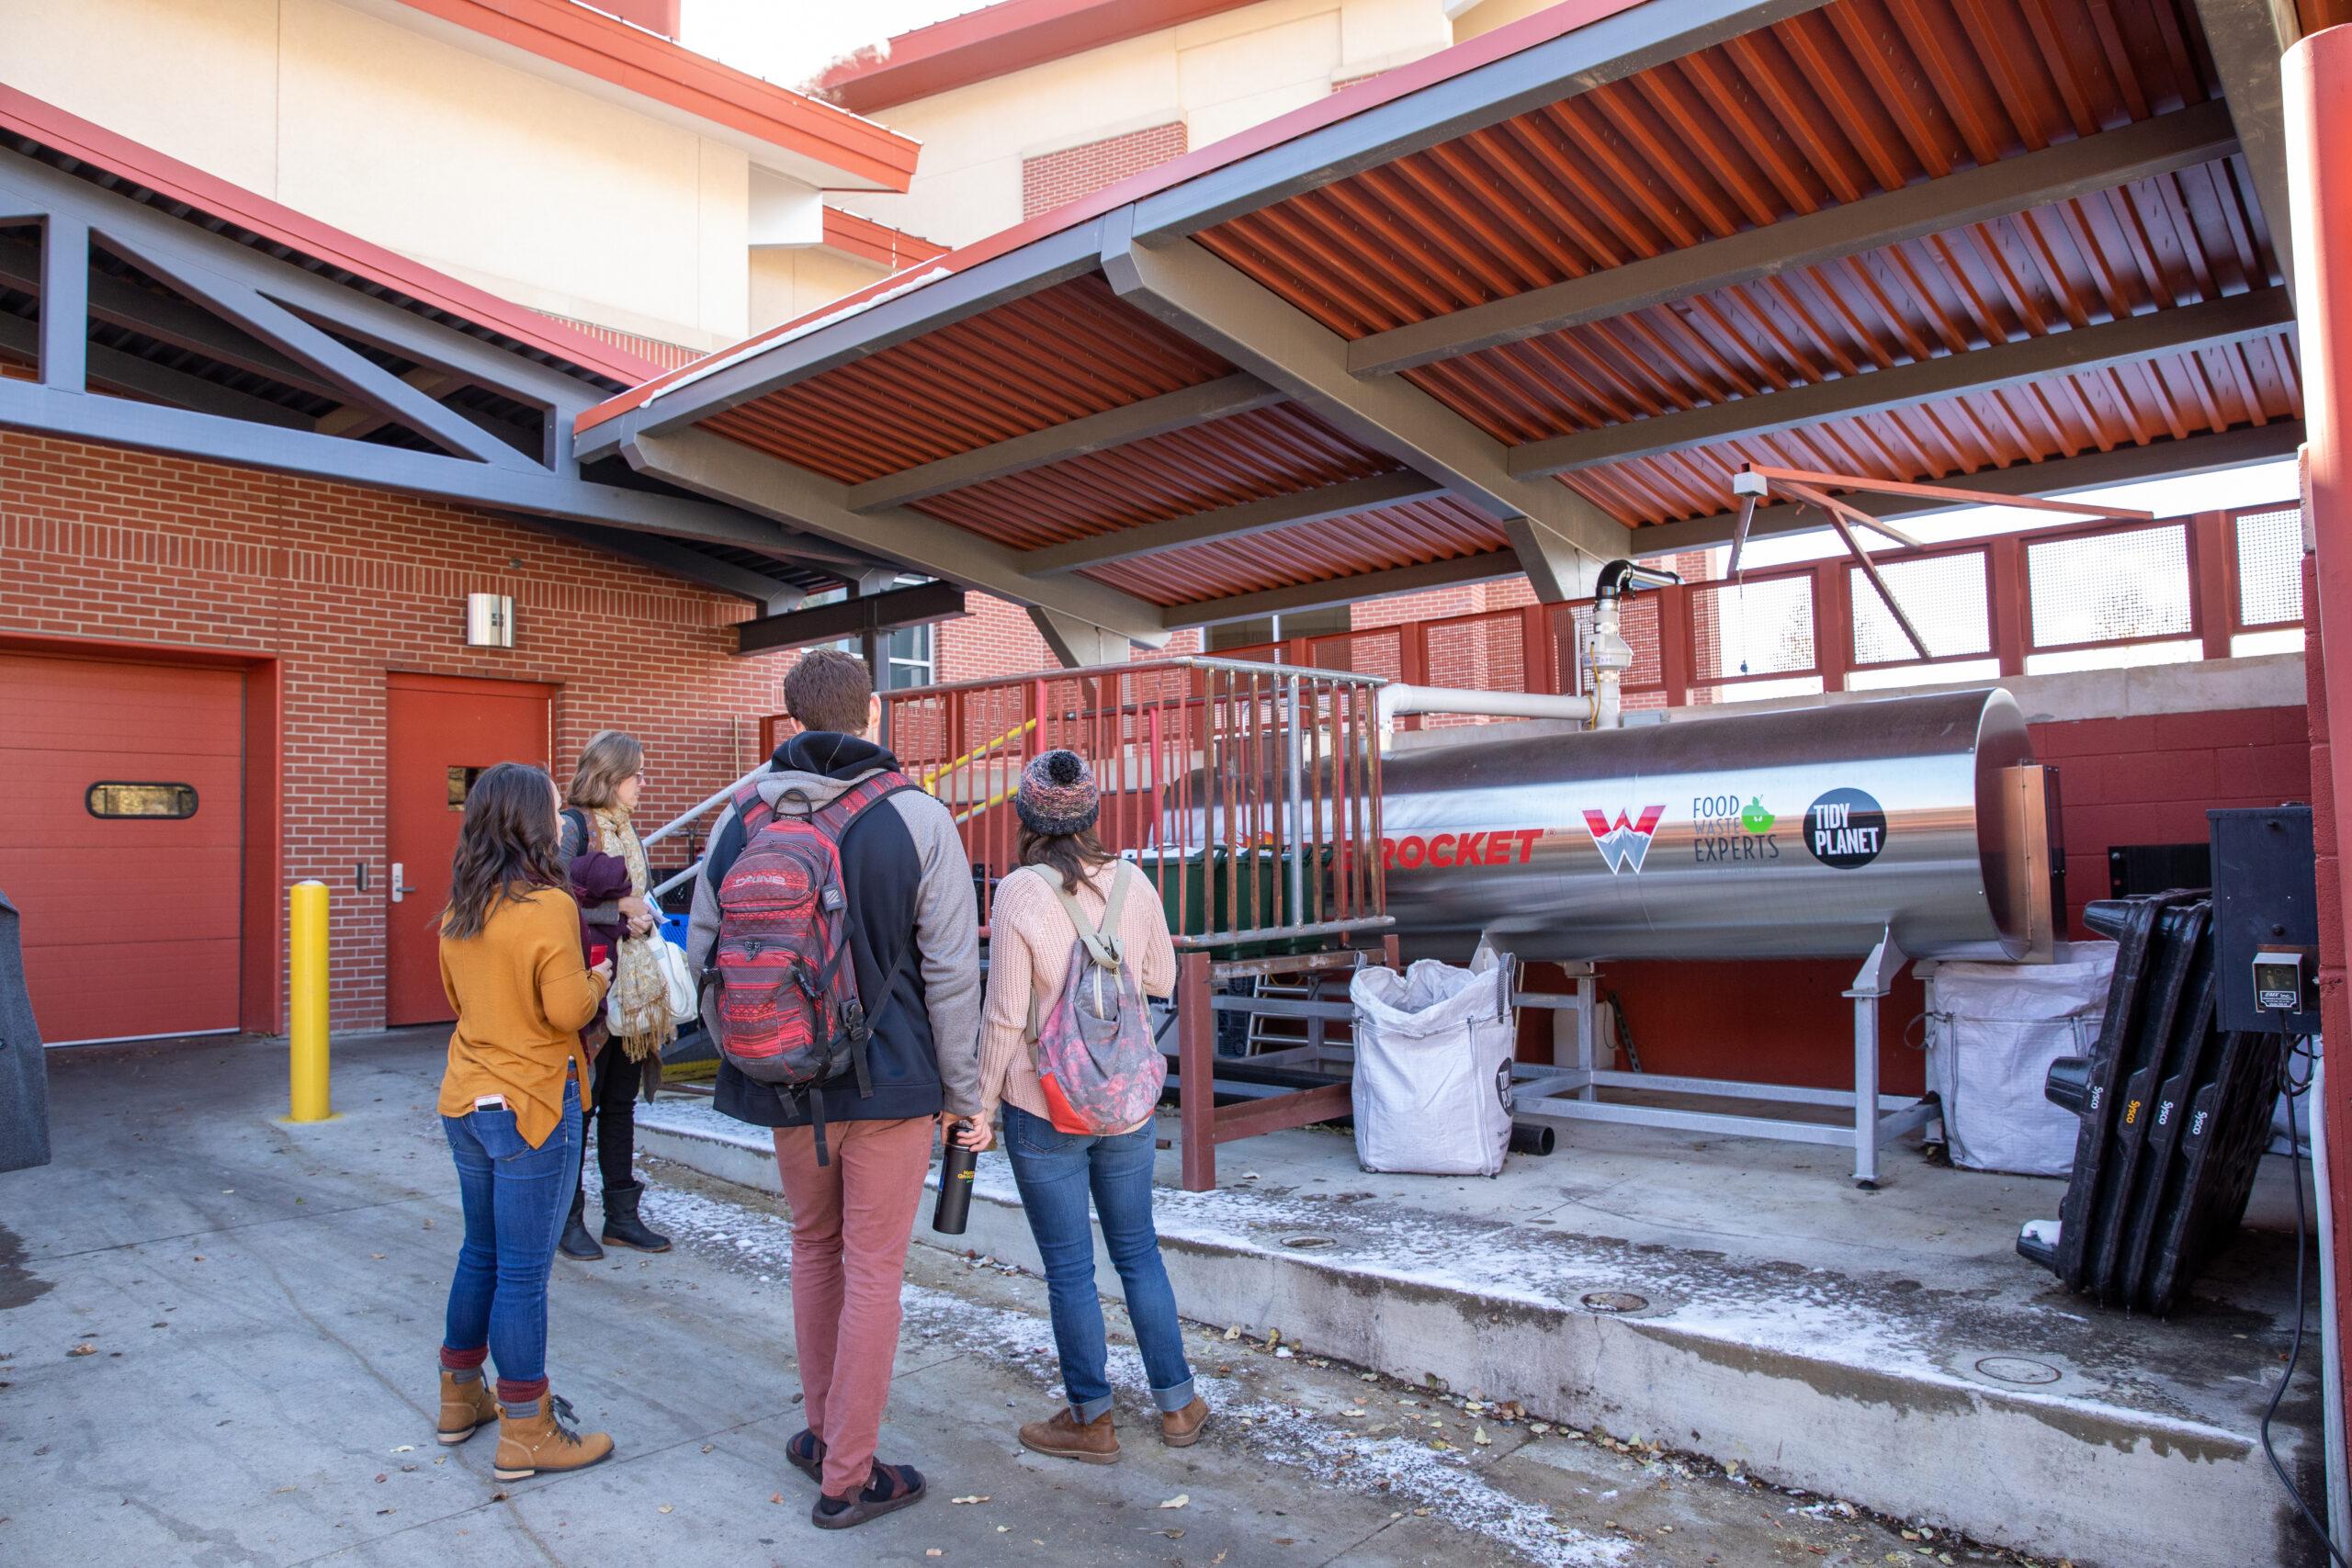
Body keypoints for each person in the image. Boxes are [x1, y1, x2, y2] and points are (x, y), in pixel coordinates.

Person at [686, 649, 981, 1529]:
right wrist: (964, 1093)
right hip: (890, 1085)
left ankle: (823, 1433)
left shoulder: (739, 819)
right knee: (873, 1270)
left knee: (814, 1250)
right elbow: (954, 972)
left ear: (789, 718)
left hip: (782, 1078)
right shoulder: (920, 818)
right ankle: (849, 1474)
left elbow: (703, 954)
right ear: (875, 713)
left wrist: (753, 1043)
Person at [967, 749, 1207, 1464]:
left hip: (1044, 1105)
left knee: (1071, 1266)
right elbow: (1160, 976)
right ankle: (1178, 1403)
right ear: (1093, 812)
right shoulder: (1134, 880)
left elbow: (1005, 1013)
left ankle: (1091, 1418)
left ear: (1026, 815)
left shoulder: (1018, 890)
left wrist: (976, 1104)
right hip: (1126, 1103)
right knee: (1138, 1250)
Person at [433, 761, 616, 1480]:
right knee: (523, 1273)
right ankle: (526, 1427)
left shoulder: (458, 907)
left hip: (465, 1099)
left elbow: (457, 996)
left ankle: (459, 1398)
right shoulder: (548, 905)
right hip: (535, 1102)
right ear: (533, 823)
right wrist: (599, 974)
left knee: (480, 1252)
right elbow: (567, 1010)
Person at [556, 730, 674, 1260]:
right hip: (591, 989)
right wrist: (617, 915)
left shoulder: (628, 829)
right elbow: (548, 906)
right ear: (609, 776)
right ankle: (568, 1218)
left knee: (621, 1105)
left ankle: (622, 1218)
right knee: (581, 1105)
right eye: (637, 774)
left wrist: (644, 919)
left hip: (633, 988)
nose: (643, 783)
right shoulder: (572, 827)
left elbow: (635, 896)